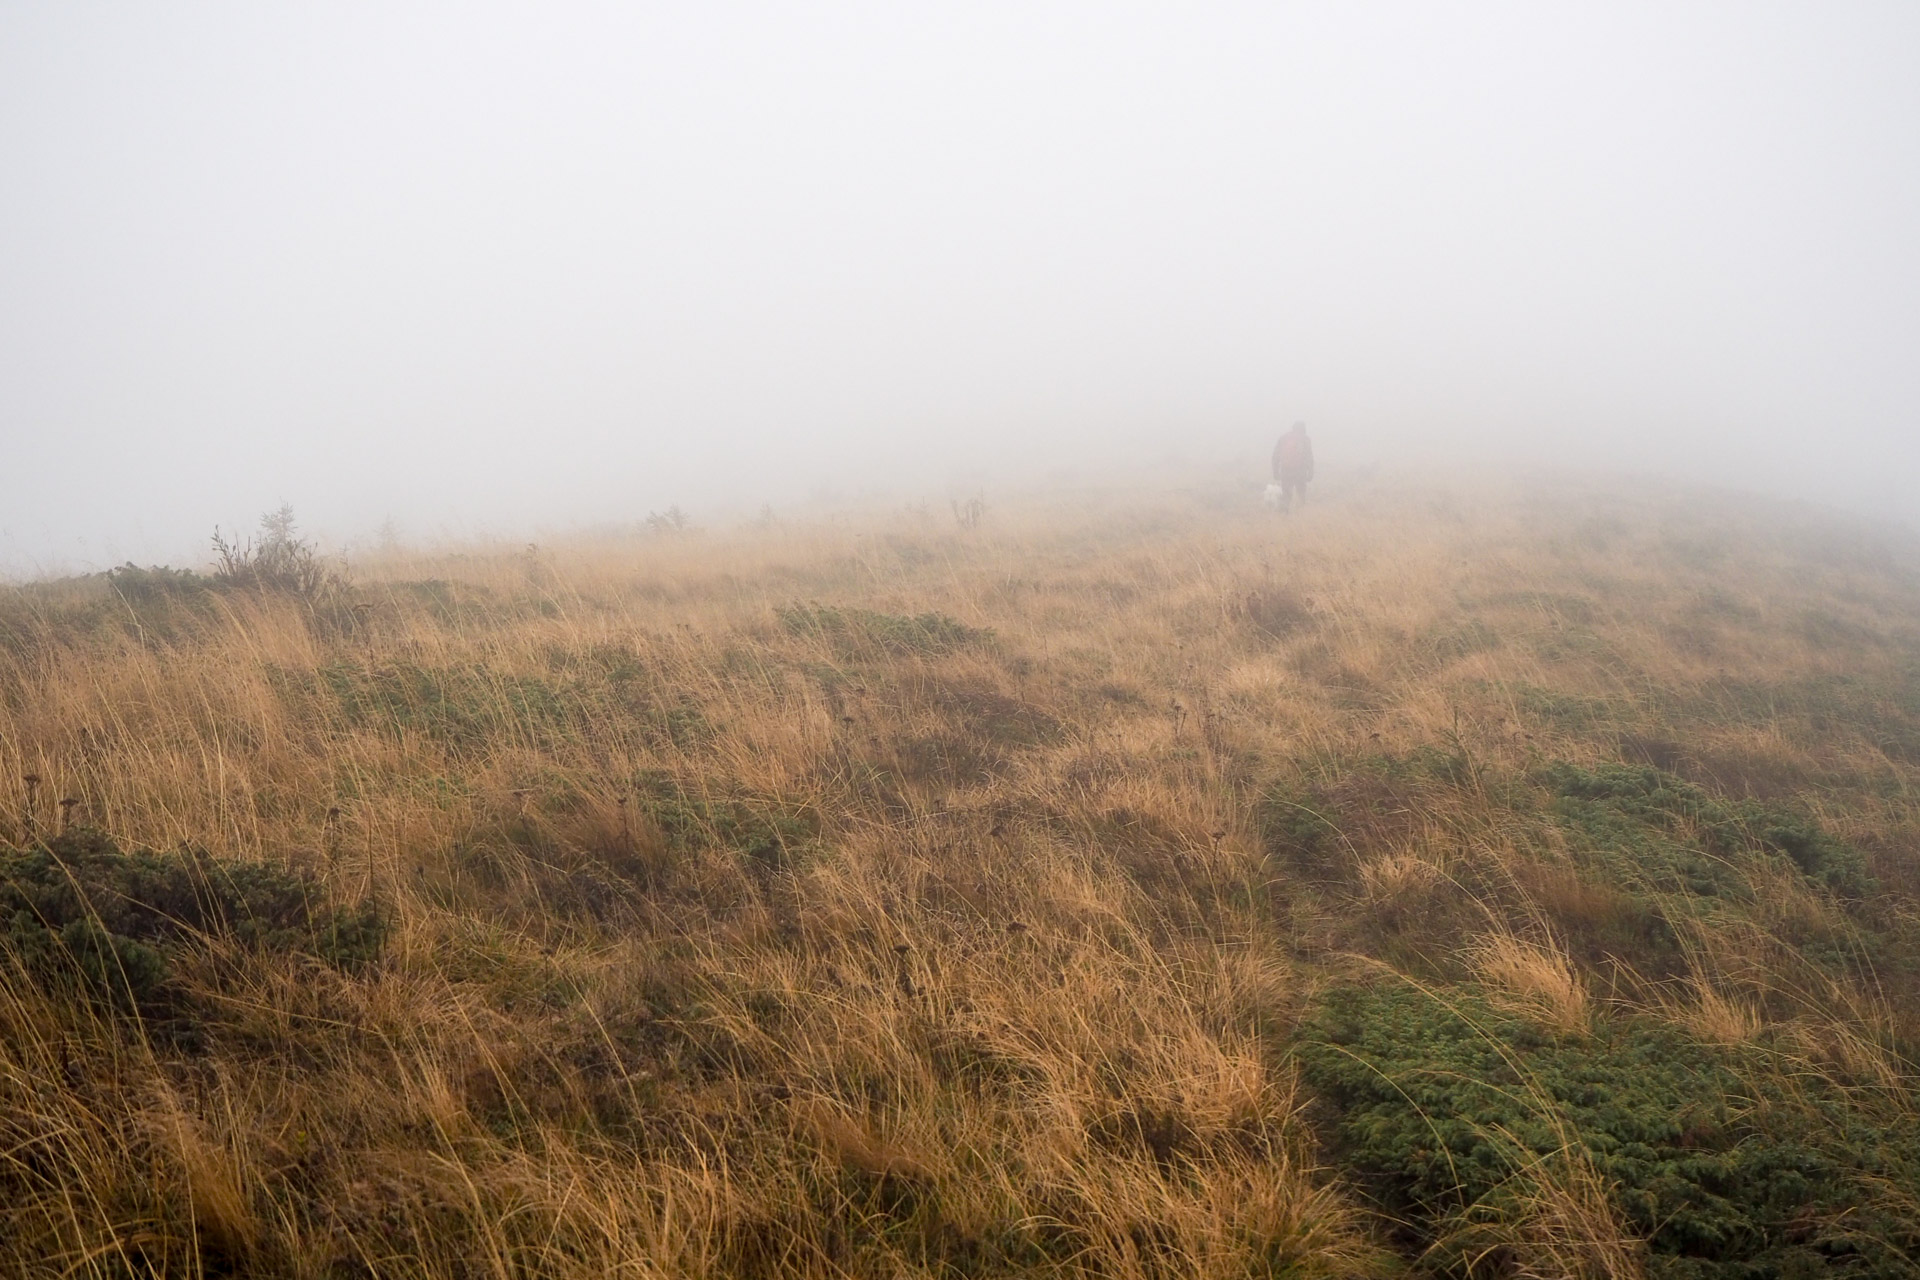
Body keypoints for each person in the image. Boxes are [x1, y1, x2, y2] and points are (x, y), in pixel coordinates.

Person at [1271, 422, 1314, 511]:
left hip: (1286, 470)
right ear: (1303, 429)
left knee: (1286, 494)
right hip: (1300, 471)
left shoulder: (1283, 438)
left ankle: (1284, 516)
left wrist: (1275, 471)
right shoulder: (1305, 439)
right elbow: (1309, 456)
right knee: (1301, 494)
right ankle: (1300, 515)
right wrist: (1310, 472)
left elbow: (1275, 455)